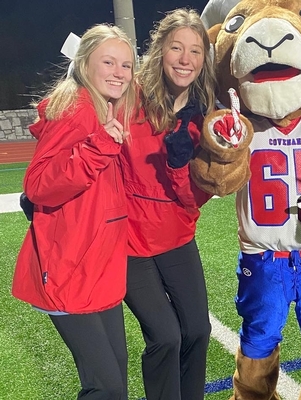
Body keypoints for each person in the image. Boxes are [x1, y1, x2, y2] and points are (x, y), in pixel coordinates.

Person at [12, 24, 137, 399]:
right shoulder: (79, 109)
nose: (119, 72)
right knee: (107, 387)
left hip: (96, 269)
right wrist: (98, 148)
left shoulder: (103, 108)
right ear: (85, 64)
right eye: (109, 62)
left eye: (127, 65)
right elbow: (38, 186)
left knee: (113, 380)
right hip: (70, 271)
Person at [119, 8, 217, 400]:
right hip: (127, 240)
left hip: (176, 234)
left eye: (195, 51)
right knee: (165, 336)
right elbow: (75, 107)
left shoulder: (204, 117)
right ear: (160, 50)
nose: (185, 59)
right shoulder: (130, 96)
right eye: (177, 47)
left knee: (197, 331)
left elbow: (197, 197)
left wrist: (179, 165)